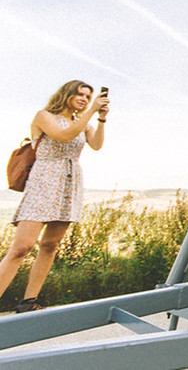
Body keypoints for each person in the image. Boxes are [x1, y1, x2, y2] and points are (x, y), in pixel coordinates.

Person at [0, 80, 109, 312]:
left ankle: (29, 301)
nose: (83, 99)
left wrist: (101, 119)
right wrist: (90, 112)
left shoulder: (81, 121)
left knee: (51, 244)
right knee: (22, 247)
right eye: (79, 94)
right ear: (66, 94)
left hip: (70, 183)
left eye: (87, 97)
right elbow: (63, 136)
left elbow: (97, 145)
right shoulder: (44, 116)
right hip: (44, 181)